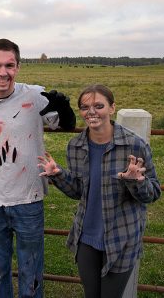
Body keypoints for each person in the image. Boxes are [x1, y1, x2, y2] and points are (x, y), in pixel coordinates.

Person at [0, 38, 76, 297]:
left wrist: (65, 109)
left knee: (31, 271)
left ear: (18, 66)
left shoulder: (35, 96)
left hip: (29, 198)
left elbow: (64, 125)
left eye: (10, 65)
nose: (3, 72)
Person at [38, 84, 161, 298]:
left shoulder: (134, 145)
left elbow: (153, 194)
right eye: (85, 107)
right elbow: (78, 190)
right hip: (86, 238)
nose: (91, 112)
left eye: (98, 105)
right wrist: (57, 174)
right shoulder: (75, 146)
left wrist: (136, 181)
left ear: (112, 108)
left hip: (121, 238)